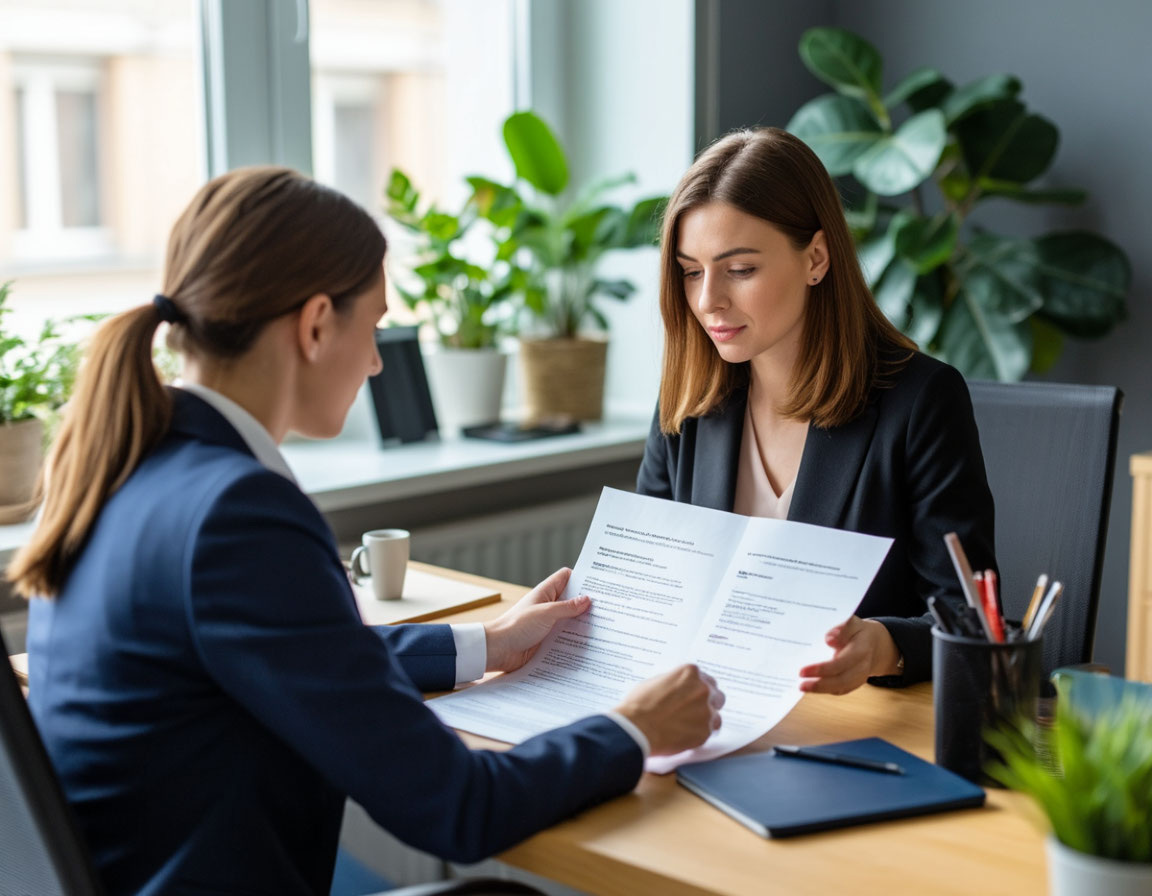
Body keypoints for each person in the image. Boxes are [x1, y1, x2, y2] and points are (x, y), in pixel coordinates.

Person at [6, 167, 724, 896]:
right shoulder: (239, 512)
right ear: (316, 324)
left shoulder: (126, 461)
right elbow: (459, 808)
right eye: (376, 326)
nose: (379, 361)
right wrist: (633, 728)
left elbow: (289, 651)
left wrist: (484, 644)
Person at [636, 127, 996, 694]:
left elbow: (970, 619)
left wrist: (885, 644)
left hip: (860, 730)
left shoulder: (922, 402)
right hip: (711, 714)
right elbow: (652, 589)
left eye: (740, 269)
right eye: (690, 271)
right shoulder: (688, 399)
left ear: (817, 259)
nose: (708, 301)